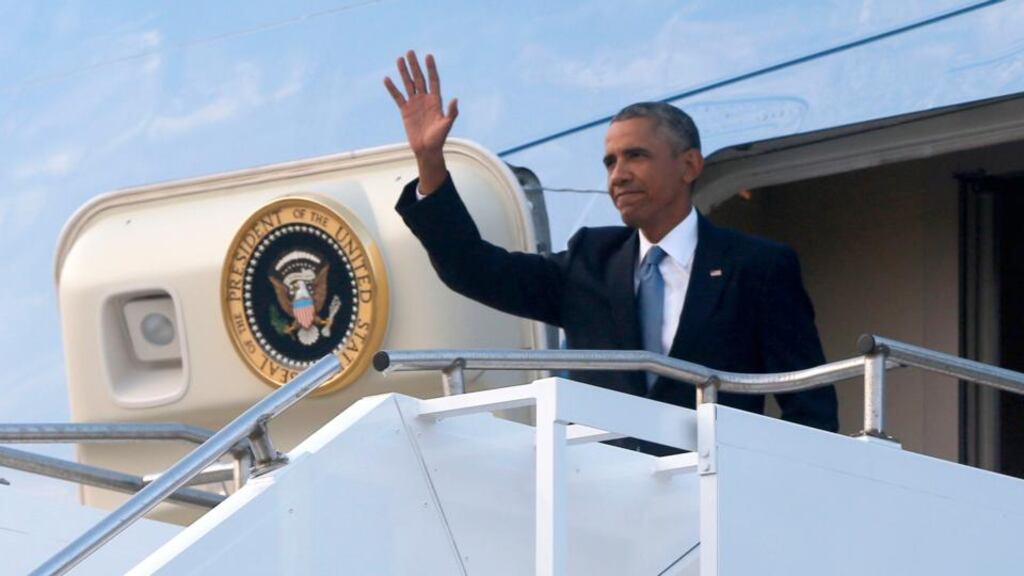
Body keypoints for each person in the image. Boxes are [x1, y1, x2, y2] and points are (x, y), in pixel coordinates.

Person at [385, 51, 838, 451]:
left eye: (635, 156)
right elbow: (473, 269)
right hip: (599, 505)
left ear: (689, 165)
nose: (617, 174)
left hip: (715, 503)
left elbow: (810, 408)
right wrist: (430, 163)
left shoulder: (757, 266)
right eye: (610, 161)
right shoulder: (590, 261)